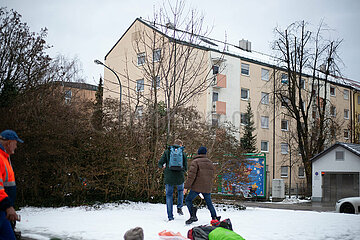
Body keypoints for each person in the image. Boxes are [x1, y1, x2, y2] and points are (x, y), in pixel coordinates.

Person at [183, 146, 220, 225]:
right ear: (205, 153)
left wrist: (186, 187)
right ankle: (214, 217)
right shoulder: (210, 163)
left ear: (198, 152)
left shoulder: (195, 162)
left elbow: (191, 176)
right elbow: (212, 176)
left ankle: (193, 215)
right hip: (207, 187)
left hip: (197, 186)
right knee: (209, 203)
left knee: (188, 200)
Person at [0, 130, 22, 239]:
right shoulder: (0, 158)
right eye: (15, 143)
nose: (16, 146)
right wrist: (8, 206)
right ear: (9, 143)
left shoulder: (5, 158)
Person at [158, 139, 187, 221]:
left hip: (169, 177)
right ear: (181, 145)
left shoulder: (167, 152)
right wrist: (182, 171)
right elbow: (186, 167)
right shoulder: (183, 153)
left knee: (169, 195)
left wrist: (164, 167)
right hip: (180, 177)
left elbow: (160, 163)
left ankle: (170, 216)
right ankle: (179, 207)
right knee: (180, 191)